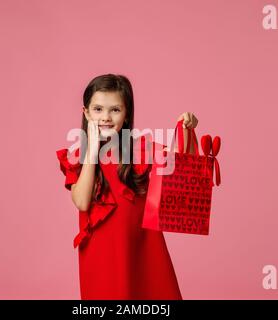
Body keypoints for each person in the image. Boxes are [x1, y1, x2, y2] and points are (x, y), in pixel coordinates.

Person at [56, 73, 198, 300]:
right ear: (86, 112)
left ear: (126, 113)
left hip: (143, 251)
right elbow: (82, 202)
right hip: (101, 256)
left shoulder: (141, 148)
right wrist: (92, 149)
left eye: (115, 109)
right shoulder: (77, 157)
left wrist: (189, 132)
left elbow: (186, 169)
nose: (106, 117)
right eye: (98, 109)